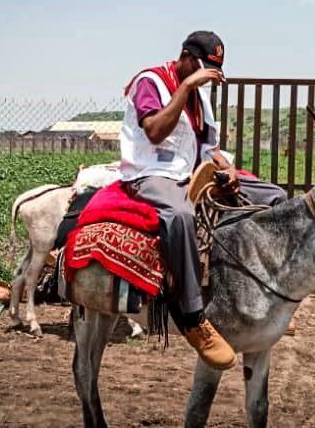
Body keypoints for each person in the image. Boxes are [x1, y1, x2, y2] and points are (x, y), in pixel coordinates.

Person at [120, 31, 287, 370]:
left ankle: (261, 291)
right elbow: (153, 131)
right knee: (180, 215)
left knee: (276, 198)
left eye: (213, 71)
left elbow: (208, 147)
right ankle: (193, 317)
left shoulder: (201, 98)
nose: (207, 77)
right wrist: (186, 88)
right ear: (185, 56)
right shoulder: (149, 81)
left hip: (194, 172)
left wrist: (227, 169)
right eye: (203, 68)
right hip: (151, 174)